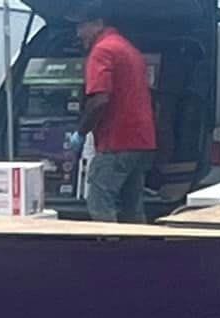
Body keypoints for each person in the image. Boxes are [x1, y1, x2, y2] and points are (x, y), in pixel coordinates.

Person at [76, 7, 157, 225]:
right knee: (132, 205)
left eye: (82, 26)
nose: (78, 33)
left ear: (97, 23)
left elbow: (99, 100)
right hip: (140, 140)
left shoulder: (102, 51)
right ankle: (138, 253)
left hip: (117, 139)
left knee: (100, 200)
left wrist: (81, 132)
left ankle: (108, 253)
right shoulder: (127, 48)